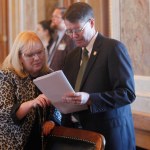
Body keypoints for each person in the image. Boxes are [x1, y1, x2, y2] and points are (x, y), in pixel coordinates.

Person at [61, 2, 136, 150]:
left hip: (110, 136)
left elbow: (127, 93)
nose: (73, 36)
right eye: (69, 31)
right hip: (78, 136)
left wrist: (90, 99)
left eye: (77, 30)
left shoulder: (113, 49)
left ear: (91, 23)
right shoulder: (72, 56)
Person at [0, 31, 56, 150]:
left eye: (40, 52)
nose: (37, 58)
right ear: (19, 57)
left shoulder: (49, 74)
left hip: (43, 142)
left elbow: (59, 104)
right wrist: (31, 103)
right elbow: (4, 114)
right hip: (13, 144)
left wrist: (52, 120)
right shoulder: (7, 76)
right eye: (30, 55)